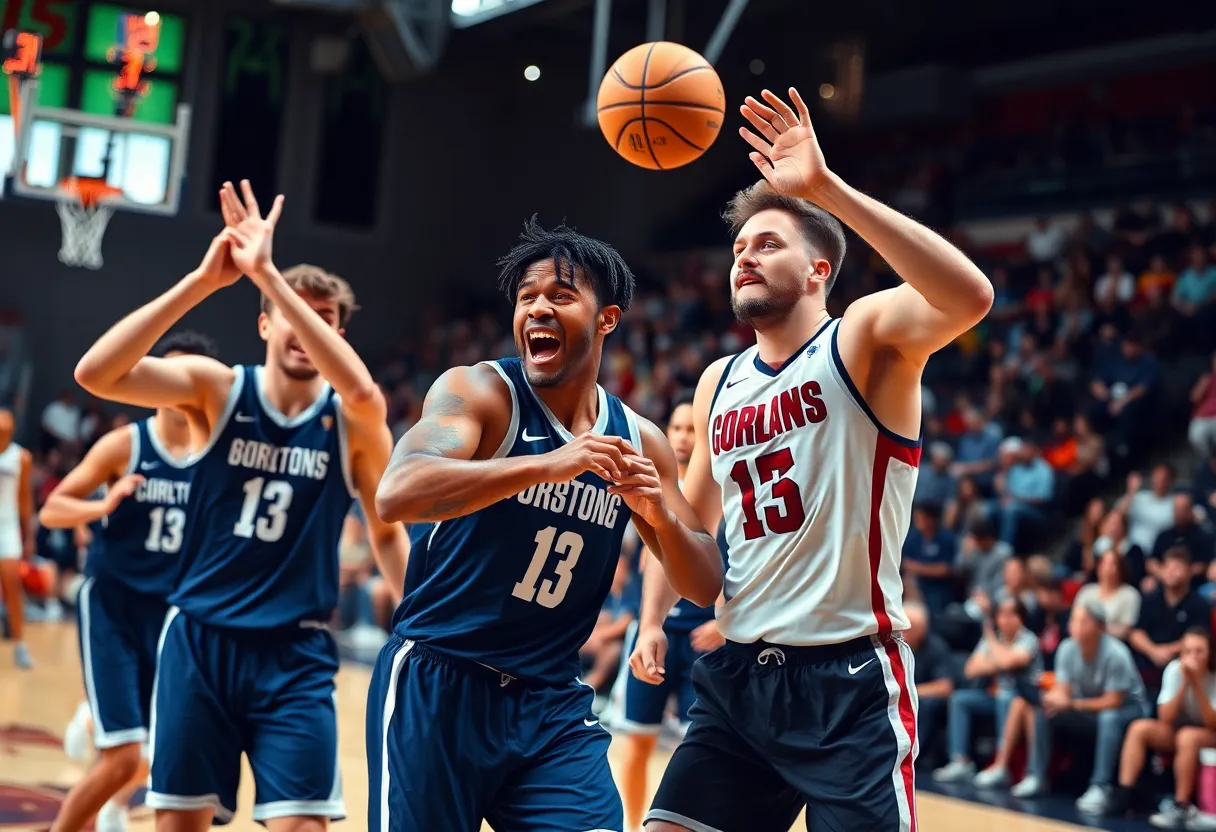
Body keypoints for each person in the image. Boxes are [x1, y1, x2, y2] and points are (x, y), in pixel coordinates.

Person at [632, 87, 994, 831]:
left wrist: (824, 189)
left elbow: (969, 296)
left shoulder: (860, 339)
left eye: (768, 244)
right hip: (738, 677)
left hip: (848, 679)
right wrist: (649, 613)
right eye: (739, 249)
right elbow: (690, 531)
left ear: (820, 269)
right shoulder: (718, 381)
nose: (744, 259)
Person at [73, 181, 409, 829]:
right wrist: (204, 281)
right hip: (200, 641)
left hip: (296, 653)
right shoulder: (216, 390)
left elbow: (387, 529)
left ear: (338, 333)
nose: (305, 325)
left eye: (323, 317)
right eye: (290, 312)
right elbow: (96, 373)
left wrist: (419, 625)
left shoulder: (354, 419)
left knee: (302, 824)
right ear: (263, 324)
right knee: (179, 824)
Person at [369, 218, 721, 832]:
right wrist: (548, 465)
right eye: (526, 297)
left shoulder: (640, 440)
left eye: (560, 295)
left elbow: (705, 581)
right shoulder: (481, 391)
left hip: (550, 702)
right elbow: (397, 494)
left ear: (607, 319)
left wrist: (658, 516)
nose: (537, 308)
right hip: (441, 678)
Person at [41, 331, 217, 832]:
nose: (177, 383)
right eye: (169, 373)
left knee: (164, 750)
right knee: (122, 758)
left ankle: (107, 774)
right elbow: (53, 509)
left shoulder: (216, 455)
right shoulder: (127, 444)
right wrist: (103, 504)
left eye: (189, 376)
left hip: (175, 616)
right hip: (114, 606)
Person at [614, 394, 725, 832]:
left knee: (701, 746)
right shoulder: (648, 479)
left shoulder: (722, 487)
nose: (682, 437)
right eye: (676, 428)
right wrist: (645, 621)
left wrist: (724, 623)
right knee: (637, 739)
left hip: (706, 638)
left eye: (691, 429)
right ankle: (632, 824)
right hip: (655, 630)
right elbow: (643, 561)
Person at [1023, 602, 1150, 812]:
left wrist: (1072, 704)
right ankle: (1036, 776)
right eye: (1074, 620)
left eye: (1083, 621)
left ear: (1099, 626)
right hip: (1090, 707)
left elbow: (1113, 701)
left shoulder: (1116, 653)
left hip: (1129, 710)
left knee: (1109, 717)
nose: (1076, 626)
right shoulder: (1066, 648)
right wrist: (1053, 699)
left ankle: (1100, 786)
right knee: (1045, 712)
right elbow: (1063, 690)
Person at [1111, 628, 1216, 826]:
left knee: (1188, 736)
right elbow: (1165, 717)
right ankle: (1125, 793)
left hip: (1209, 733)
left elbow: (1212, 722)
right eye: (1187, 651)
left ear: (1210, 653)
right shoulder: (1174, 670)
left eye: (1199, 651)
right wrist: (1185, 683)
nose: (1192, 657)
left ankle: (1181, 805)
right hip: (1178, 729)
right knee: (1139, 729)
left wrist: (1197, 685)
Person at [0, 406, 34, 669]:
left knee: (12, 583)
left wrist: (29, 535)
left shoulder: (21, 457)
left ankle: (20, 644)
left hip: (8, 527)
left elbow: (24, 497)